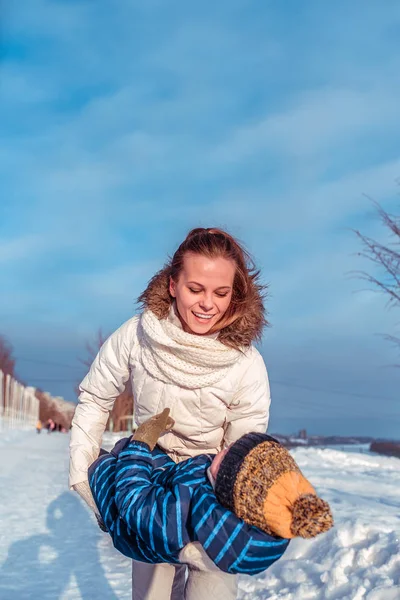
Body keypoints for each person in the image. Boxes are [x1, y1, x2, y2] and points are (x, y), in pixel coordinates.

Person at [70, 227, 272, 600]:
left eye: (221, 292)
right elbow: (95, 397)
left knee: (211, 589)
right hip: (148, 481)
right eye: (196, 289)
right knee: (151, 593)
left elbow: (241, 449)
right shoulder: (137, 335)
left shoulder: (247, 365)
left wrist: (220, 497)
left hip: (212, 490)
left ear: (236, 294)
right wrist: (82, 469)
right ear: (172, 285)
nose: (208, 303)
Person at [87, 409, 332, 573]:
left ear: (226, 480)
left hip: (126, 517)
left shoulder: (179, 517)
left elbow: (133, 498)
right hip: (164, 485)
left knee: (102, 463)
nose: (227, 447)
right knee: (143, 456)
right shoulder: (237, 504)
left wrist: (140, 444)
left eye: (230, 454)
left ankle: (104, 516)